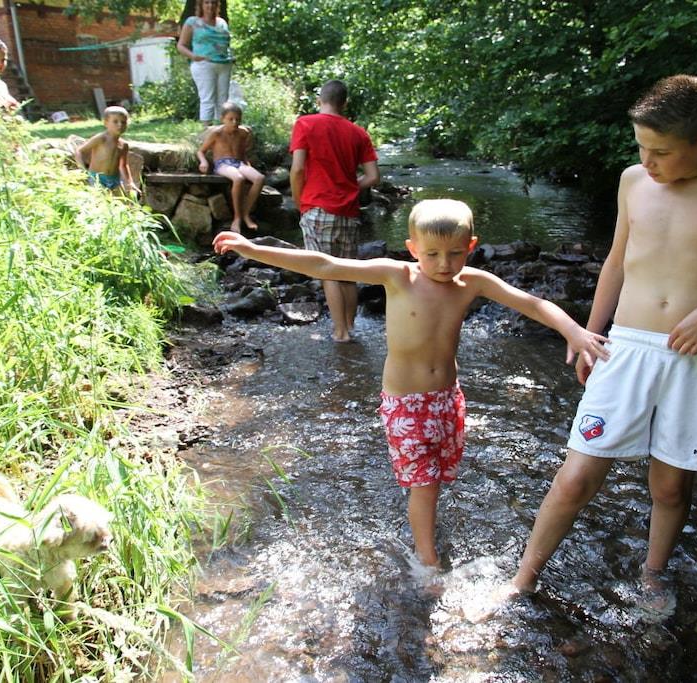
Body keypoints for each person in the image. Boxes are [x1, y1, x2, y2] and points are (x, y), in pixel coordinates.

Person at [510, 75, 697, 606]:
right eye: (641, 148)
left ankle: (653, 574)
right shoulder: (633, 181)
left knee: (670, 487)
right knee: (576, 477)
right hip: (625, 347)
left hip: (696, 356)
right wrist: (589, 333)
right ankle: (523, 579)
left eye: (662, 152)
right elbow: (616, 262)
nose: (648, 162)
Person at [213, 199, 611, 569]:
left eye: (455, 253)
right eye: (432, 253)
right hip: (406, 405)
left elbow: (531, 303)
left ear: (471, 246)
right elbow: (325, 265)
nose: (444, 263)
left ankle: (426, 537)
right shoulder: (398, 275)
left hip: (448, 400)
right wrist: (252, 249)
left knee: (435, 480)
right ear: (412, 247)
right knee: (425, 485)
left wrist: (573, 331)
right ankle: (428, 561)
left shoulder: (473, 282)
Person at [290, 79, 380, 342]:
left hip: (317, 207)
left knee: (326, 271)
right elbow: (373, 176)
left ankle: (340, 333)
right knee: (347, 272)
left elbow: (297, 169)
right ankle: (350, 327)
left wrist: (299, 201)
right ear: (345, 103)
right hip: (349, 211)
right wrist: (349, 187)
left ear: (320, 100)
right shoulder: (358, 133)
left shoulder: (305, 124)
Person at [196, 101, 264, 233]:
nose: (234, 122)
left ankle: (246, 214)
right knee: (238, 178)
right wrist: (203, 162)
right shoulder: (217, 133)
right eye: (230, 119)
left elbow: (242, 152)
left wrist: (247, 163)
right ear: (223, 119)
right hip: (222, 164)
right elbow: (200, 151)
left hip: (239, 163)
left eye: (237, 119)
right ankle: (237, 218)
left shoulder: (243, 133)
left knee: (259, 178)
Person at [177, 0, 235, 125]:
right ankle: (207, 130)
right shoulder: (193, 22)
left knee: (223, 100)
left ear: (217, 5)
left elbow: (225, 44)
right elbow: (181, 45)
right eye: (207, 2)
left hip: (224, 65)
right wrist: (194, 56)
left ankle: (222, 130)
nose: (210, 5)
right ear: (201, 5)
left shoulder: (222, 23)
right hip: (204, 65)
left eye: (213, 2)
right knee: (207, 99)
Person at [74, 105, 139, 196]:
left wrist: (130, 182)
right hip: (97, 178)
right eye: (115, 121)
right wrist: (83, 170)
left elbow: (123, 165)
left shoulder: (124, 145)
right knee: (99, 200)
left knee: (121, 202)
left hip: (115, 179)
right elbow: (80, 151)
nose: (120, 125)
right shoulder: (101, 139)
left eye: (123, 122)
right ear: (106, 123)